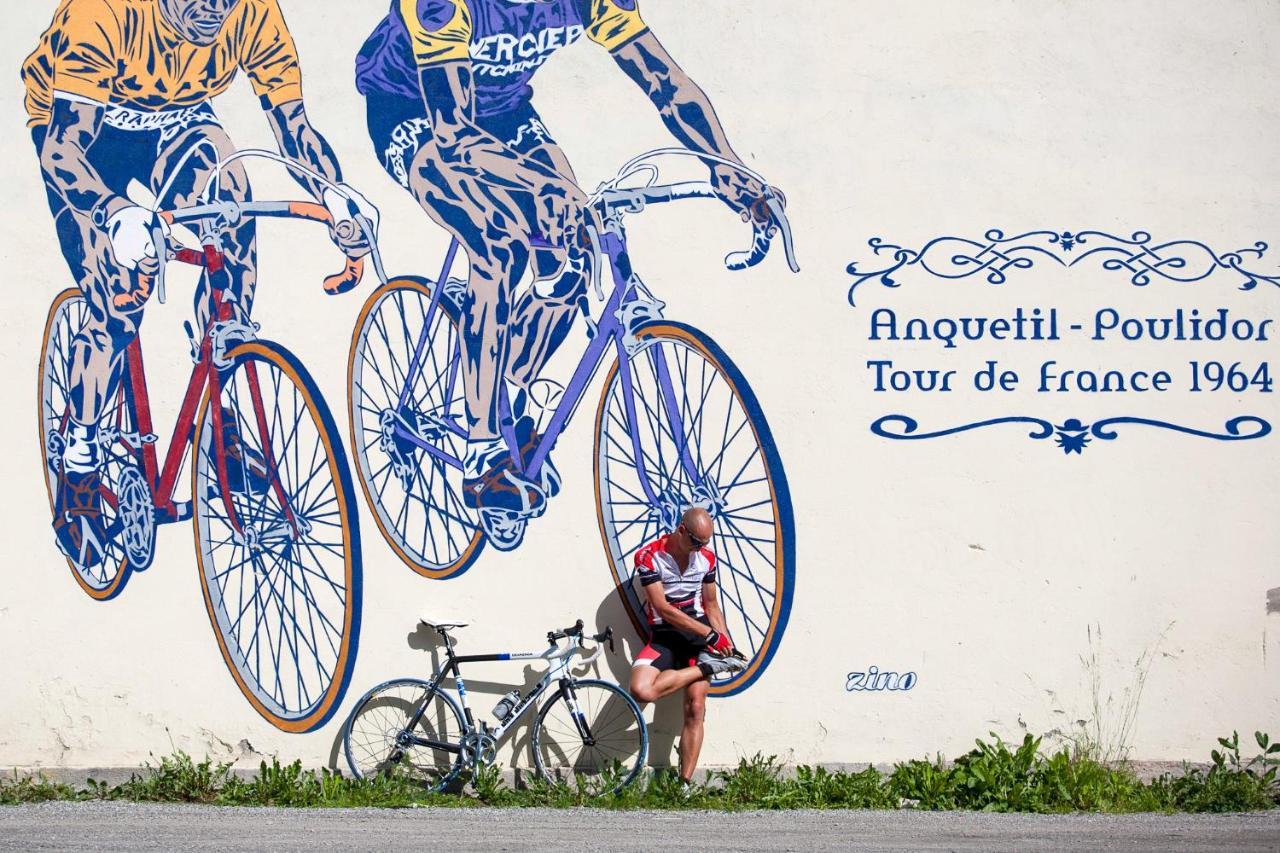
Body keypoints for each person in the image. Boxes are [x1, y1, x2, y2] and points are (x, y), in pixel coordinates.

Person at [354, 0, 780, 521]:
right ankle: (482, 452)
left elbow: (664, 83)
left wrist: (727, 166)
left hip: (503, 110)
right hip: (415, 109)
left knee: (578, 242)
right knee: (498, 248)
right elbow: (455, 139)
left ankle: (502, 381)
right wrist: (546, 187)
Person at [24, 0, 379, 569]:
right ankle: (82, 457)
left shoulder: (254, 13)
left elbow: (294, 127)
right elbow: (61, 149)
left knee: (232, 213)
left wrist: (334, 194)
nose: (215, 8)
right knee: (116, 301)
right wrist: (116, 213)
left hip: (179, 120)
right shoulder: (105, 12)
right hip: (79, 134)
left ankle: (220, 408)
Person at [628, 507, 744, 789]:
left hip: (697, 637)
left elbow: (712, 604)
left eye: (705, 543)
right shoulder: (648, 556)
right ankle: (707, 668)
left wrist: (724, 640)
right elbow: (663, 608)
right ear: (681, 530)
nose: (699, 548)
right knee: (641, 690)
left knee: (695, 707)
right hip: (665, 635)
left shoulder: (705, 559)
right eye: (695, 541)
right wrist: (710, 636)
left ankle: (684, 785)